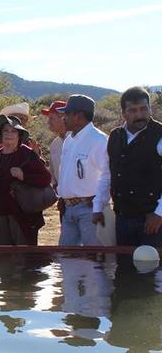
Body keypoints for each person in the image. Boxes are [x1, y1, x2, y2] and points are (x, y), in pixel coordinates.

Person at [94, 86, 162, 246]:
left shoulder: (159, 135)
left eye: (144, 109)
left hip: (152, 220)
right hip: (122, 217)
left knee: (151, 266)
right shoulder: (115, 136)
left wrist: (159, 214)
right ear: (124, 113)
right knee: (124, 267)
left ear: (150, 109)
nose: (139, 115)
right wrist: (98, 206)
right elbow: (107, 174)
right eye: (133, 110)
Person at [0, 115, 52, 245]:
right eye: (6, 130)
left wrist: (24, 176)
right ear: (0, 133)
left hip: (22, 218)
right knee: (2, 259)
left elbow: (45, 179)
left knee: (24, 260)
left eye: (13, 131)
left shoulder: (27, 153)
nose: (9, 134)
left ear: (19, 135)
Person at [57, 94, 109, 246]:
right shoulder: (69, 140)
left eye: (67, 114)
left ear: (79, 116)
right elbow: (66, 172)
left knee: (92, 260)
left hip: (89, 210)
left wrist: (99, 207)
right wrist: (62, 196)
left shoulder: (99, 140)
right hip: (68, 210)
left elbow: (107, 175)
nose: (63, 118)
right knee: (67, 259)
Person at [0, 102, 40, 167]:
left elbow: (40, 170)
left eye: (21, 118)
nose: (17, 121)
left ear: (26, 122)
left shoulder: (31, 143)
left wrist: (35, 157)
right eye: (14, 117)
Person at [41, 100, 67, 187]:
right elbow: (53, 173)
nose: (48, 122)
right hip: (63, 197)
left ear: (63, 118)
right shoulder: (54, 145)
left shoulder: (80, 141)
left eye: (51, 118)